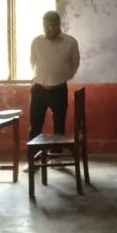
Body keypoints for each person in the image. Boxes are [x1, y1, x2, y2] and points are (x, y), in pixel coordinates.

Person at [26, 11, 79, 167]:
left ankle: (55, 157)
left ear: (58, 25)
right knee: (35, 125)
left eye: (51, 26)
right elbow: (32, 61)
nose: (48, 29)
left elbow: (75, 64)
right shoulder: (36, 42)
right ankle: (33, 160)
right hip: (39, 89)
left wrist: (62, 77)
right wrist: (42, 77)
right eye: (45, 26)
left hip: (59, 89)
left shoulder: (70, 42)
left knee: (59, 124)